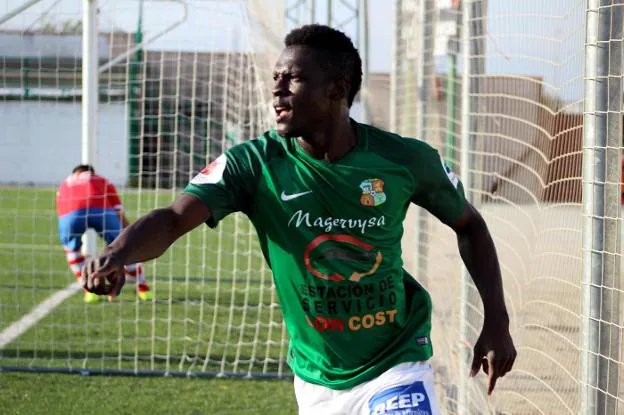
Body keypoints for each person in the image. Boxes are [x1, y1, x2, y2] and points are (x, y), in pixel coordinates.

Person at [81, 25, 516, 414]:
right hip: (316, 381)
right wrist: (117, 253)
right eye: (276, 79)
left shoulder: (402, 159)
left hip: (396, 364)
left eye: (294, 78)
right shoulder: (253, 164)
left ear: (336, 89)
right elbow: (174, 218)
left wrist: (496, 320)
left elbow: (470, 225)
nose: (278, 90)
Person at [56, 164, 153, 303]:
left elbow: (61, 213)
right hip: (100, 210)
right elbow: (118, 210)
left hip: (71, 215)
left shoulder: (63, 184)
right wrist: (128, 231)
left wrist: (69, 238)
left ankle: (88, 291)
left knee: (72, 250)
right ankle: (143, 288)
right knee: (125, 247)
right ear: (91, 172)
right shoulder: (101, 180)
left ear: (75, 173)